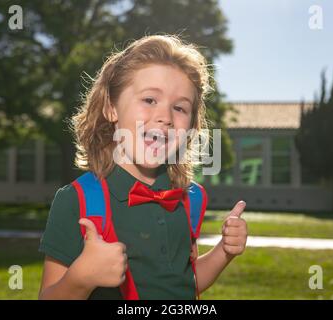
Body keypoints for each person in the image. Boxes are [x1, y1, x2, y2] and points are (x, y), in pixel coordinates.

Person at [38, 34, 248, 300]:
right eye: (149, 100)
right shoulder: (76, 201)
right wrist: (81, 278)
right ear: (111, 108)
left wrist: (224, 252)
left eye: (180, 108)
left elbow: (182, 284)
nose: (165, 117)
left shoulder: (189, 200)